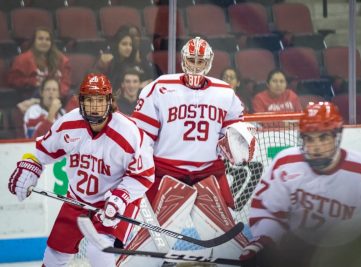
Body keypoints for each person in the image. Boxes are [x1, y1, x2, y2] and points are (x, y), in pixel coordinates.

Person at [118, 37, 252, 266]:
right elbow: (142, 136)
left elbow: (235, 131)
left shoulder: (224, 92)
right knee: (144, 252)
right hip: (166, 177)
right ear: (183, 59)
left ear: (209, 62)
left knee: (231, 247)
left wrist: (238, 143)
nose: (196, 65)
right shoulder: (160, 87)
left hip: (206, 176)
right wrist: (140, 167)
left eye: (201, 61)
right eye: (192, 59)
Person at [8, 73, 155, 267]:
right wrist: (31, 166)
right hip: (77, 199)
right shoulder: (68, 123)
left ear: (110, 101)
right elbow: (43, 150)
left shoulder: (128, 133)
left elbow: (144, 175)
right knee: (53, 256)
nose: (94, 107)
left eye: (100, 101)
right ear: (81, 102)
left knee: (99, 251)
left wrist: (121, 198)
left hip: (115, 201)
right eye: (89, 100)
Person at [240, 102, 361, 267]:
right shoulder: (285, 163)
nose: (316, 147)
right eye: (309, 138)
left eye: (323, 137)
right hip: (297, 251)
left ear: (337, 136)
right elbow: (269, 210)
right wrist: (265, 240)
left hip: (350, 254)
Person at [7, 27, 71, 100]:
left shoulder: (62, 60)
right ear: (34, 41)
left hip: (59, 96)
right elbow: (13, 80)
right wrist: (32, 81)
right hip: (35, 96)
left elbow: (66, 82)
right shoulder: (22, 60)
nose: (44, 42)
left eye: (48, 39)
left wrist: (57, 94)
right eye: (40, 39)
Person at [95, 25, 161, 90]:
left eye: (130, 45)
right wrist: (138, 86)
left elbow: (152, 77)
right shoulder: (110, 61)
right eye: (124, 44)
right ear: (117, 44)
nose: (128, 48)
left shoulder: (135, 60)